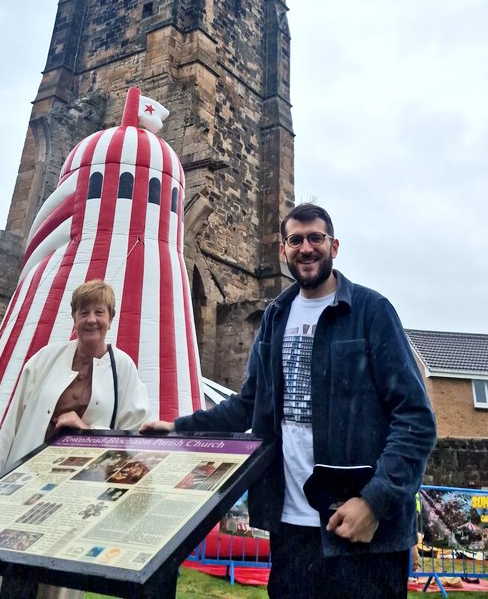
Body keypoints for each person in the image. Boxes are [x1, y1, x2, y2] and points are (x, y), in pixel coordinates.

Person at [144, 202, 437, 599]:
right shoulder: (276, 316)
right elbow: (248, 404)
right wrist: (179, 426)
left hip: (362, 529)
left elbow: (416, 419)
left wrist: (374, 502)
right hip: (292, 528)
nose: (306, 248)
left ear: (334, 245)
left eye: (315, 237)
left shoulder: (371, 311)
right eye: (295, 240)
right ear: (283, 250)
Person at [0, 279, 149, 599]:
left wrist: (88, 434)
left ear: (110, 319)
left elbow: (134, 437)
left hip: (79, 493)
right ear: (73, 318)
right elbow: (12, 428)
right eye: (83, 312)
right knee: (14, 575)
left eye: (99, 312)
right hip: (27, 485)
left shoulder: (123, 369)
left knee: (59, 587)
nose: (91, 319)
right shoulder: (44, 360)